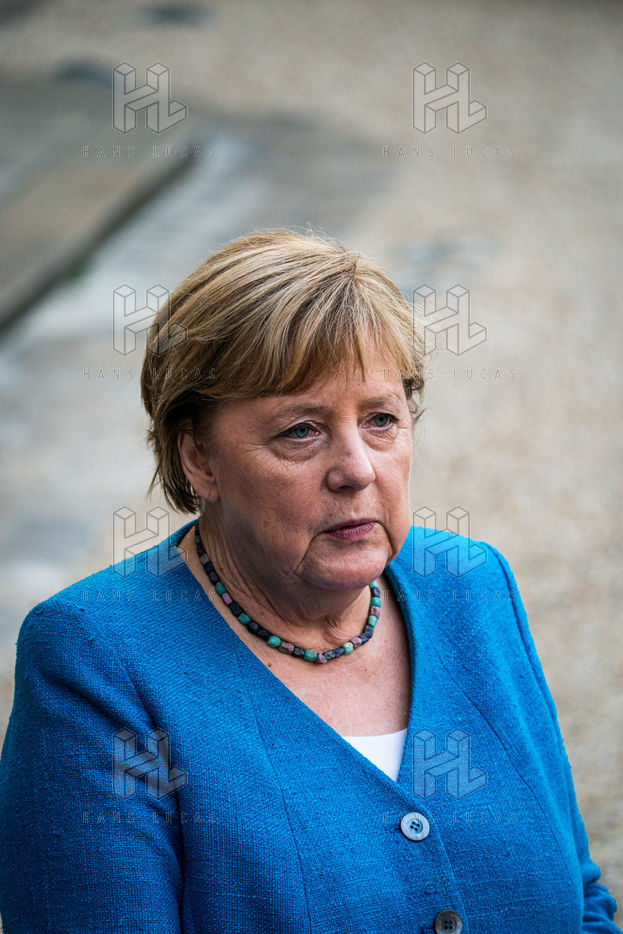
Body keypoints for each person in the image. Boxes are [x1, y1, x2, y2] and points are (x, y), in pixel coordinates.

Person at [0, 229, 619, 933]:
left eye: (380, 420)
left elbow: (580, 900)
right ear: (199, 458)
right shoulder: (96, 659)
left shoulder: (472, 587)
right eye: (301, 430)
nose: (357, 469)